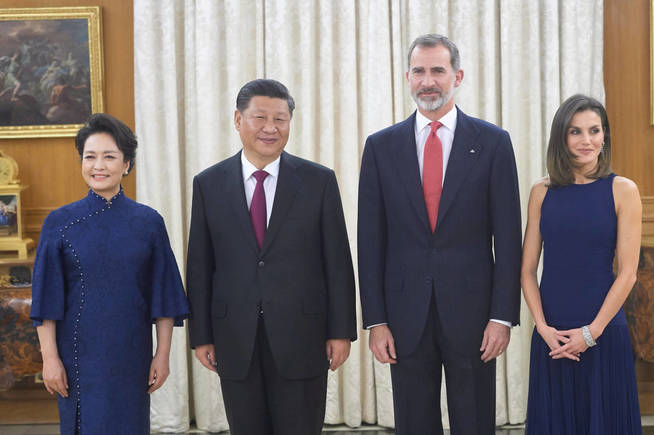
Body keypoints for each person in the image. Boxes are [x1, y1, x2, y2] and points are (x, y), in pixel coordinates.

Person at [358, 34, 522, 434]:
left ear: (457, 76)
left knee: (474, 423)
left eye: (437, 70)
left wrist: (502, 316)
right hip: (404, 316)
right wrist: (376, 320)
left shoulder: (493, 143)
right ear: (408, 77)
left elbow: (508, 236)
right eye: (419, 71)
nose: (427, 80)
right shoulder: (381, 147)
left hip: (474, 317)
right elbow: (370, 242)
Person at [187, 78, 357, 435]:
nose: (270, 128)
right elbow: (201, 266)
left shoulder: (318, 181)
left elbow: (338, 262)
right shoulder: (209, 184)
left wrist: (341, 331)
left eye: (280, 119)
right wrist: (201, 335)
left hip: (303, 335)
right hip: (235, 336)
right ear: (237, 120)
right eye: (259, 117)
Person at [30, 113, 189, 434]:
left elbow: (164, 295)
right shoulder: (59, 222)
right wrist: (50, 359)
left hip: (131, 356)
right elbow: (47, 299)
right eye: (90, 157)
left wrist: (162, 356)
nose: (98, 165)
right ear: (81, 162)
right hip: (76, 357)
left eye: (109, 157)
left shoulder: (148, 222)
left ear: (126, 164)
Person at [522, 94, 642, 434]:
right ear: (562, 137)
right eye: (576, 132)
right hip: (553, 336)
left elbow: (629, 272)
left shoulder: (623, 190)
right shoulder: (541, 192)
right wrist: (542, 328)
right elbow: (528, 270)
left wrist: (592, 332)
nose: (587, 140)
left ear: (605, 136)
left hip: (603, 330)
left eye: (594, 130)